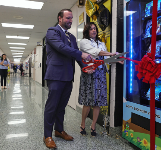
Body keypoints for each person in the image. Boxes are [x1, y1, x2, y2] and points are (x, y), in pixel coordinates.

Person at [43, 9, 93, 149]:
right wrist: (81, 53)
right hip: (55, 76)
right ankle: (47, 135)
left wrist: (85, 67)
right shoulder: (52, 32)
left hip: (67, 77)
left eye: (71, 18)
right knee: (52, 107)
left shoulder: (71, 36)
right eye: (68, 18)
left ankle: (59, 130)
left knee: (61, 107)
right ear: (60, 18)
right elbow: (61, 47)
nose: (70, 20)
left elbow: (76, 56)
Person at [78, 22, 124, 137]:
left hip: (100, 74)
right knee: (87, 102)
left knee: (98, 101)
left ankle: (93, 125)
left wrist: (116, 60)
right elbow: (96, 52)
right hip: (89, 73)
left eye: (95, 29)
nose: (94, 31)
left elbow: (106, 59)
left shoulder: (102, 43)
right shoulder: (84, 42)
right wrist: (112, 53)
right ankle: (82, 124)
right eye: (91, 29)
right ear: (87, 31)